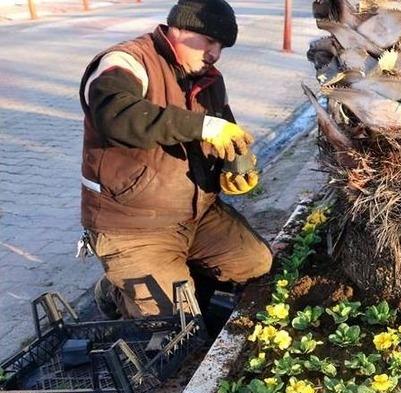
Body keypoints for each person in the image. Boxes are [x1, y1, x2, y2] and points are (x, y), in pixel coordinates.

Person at [79, 0, 272, 324]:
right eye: (209, 41)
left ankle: (176, 276)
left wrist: (236, 167)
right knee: (171, 325)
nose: (215, 53)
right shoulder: (126, 63)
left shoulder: (209, 78)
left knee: (255, 264)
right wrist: (203, 126)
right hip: (134, 225)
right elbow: (116, 116)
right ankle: (116, 292)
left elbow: (226, 135)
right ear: (180, 29)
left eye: (221, 46)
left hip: (196, 215)